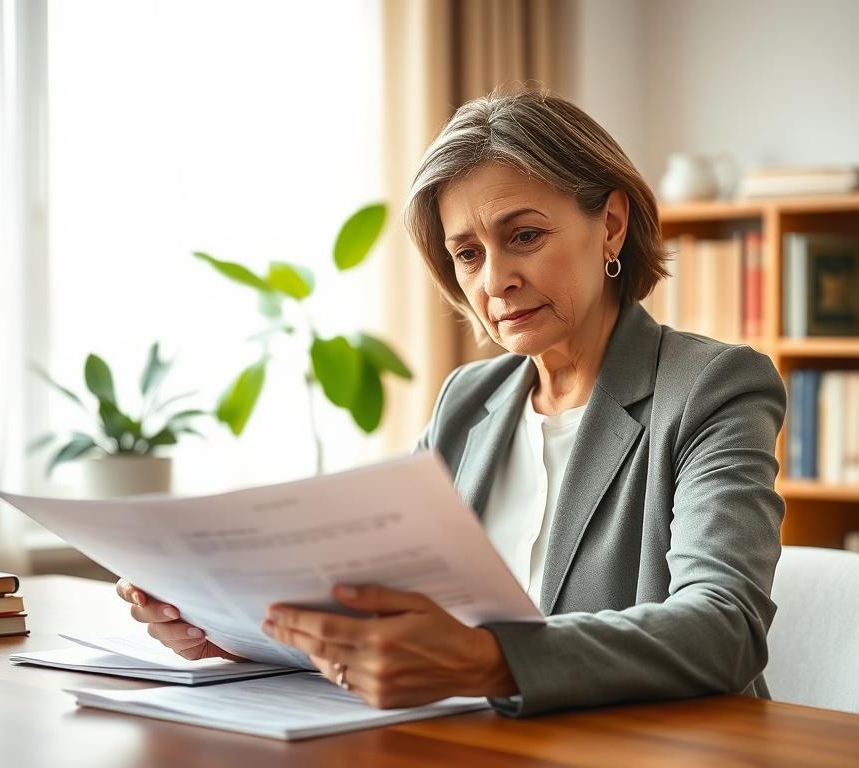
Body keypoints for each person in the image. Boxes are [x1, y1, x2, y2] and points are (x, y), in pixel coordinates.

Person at [116, 88, 787, 717]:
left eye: (524, 236)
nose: (495, 281)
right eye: (467, 254)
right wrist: (231, 628)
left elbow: (723, 628)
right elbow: (383, 612)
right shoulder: (468, 401)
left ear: (610, 225)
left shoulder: (712, 387)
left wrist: (487, 661)